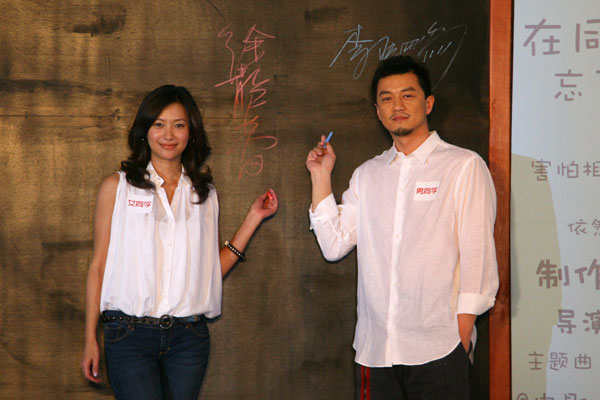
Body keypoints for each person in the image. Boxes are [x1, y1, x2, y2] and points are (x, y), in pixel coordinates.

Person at [306, 56, 498, 399]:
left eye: (407, 95)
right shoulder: (368, 174)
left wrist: (461, 332)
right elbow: (333, 245)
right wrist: (321, 177)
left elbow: (477, 254)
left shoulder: (463, 166)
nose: (397, 105)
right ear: (377, 111)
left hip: (438, 347)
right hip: (376, 350)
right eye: (386, 98)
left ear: (428, 103)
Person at [81, 85, 278, 399]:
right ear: (144, 131)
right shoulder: (117, 188)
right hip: (128, 335)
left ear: (191, 132)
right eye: (158, 124)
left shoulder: (204, 194)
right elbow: (99, 265)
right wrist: (90, 337)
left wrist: (253, 219)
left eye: (178, 125)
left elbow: (210, 271)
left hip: (189, 338)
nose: (168, 134)